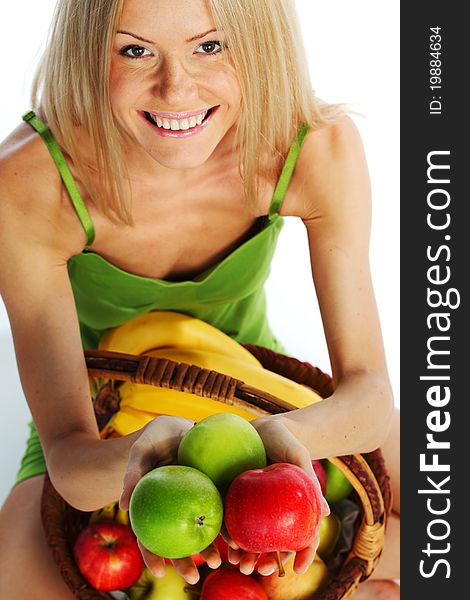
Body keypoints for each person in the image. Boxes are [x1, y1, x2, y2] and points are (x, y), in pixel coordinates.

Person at [0, 0, 399, 597]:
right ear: (85, 53)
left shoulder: (313, 145)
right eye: (134, 50)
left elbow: (369, 399)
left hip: (261, 384)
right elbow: (70, 459)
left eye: (210, 45)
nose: (176, 88)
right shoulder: (29, 182)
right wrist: (147, 458)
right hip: (105, 416)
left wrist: (273, 437)